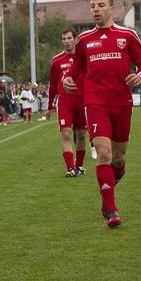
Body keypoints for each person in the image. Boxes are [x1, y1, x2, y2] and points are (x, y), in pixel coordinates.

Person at [63, 0, 141, 228]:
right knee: (104, 154)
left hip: (122, 102)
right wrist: (68, 79)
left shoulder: (127, 35)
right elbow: (77, 67)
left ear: (112, 8)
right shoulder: (84, 39)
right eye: (92, 6)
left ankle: (107, 193)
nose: (96, 9)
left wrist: (139, 76)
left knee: (119, 159)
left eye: (101, 5)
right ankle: (111, 210)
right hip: (95, 102)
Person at [46, 29, 88, 177]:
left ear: (75, 39)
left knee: (82, 135)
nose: (67, 41)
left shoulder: (84, 58)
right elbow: (52, 84)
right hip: (65, 100)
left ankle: (80, 165)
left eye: (69, 38)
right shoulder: (57, 60)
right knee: (66, 134)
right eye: (64, 38)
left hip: (82, 99)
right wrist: (49, 105)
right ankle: (70, 168)